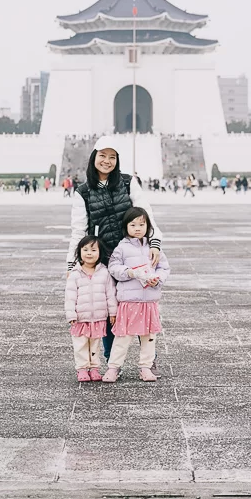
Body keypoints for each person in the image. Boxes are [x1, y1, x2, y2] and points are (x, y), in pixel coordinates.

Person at [66, 136, 162, 367]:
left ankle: (147, 359)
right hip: (103, 256)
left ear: (117, 161)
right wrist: (72, 264)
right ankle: (111, 359)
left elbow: (145, 214)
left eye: (112, 157)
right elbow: (79, 230)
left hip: (132, 255)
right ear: (94, 157)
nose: (107, 161)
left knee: (139, 304)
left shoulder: (128, 182)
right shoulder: (83, 191)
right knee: (108, 308)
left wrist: (155, 242)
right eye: (102, 156)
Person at [102, 207, 170, 382]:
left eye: (142, 224)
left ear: (148, 226)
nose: (138, 228)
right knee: (123, 337)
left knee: (149, 337)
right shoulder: (122, 248)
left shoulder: (153, 248)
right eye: (133, 224)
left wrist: (158, 279)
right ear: (126, 227)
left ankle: (145, 367)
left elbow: (164, 268)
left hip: (149, 301)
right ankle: (113, 367)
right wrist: (130, 272)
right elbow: (113, 268)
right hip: (129, 301)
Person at [65, 236, 117, 382]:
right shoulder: (75, 274)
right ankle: (81, 368)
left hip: (99, 317)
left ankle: (94, 368)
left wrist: (113, 312)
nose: (89, 253)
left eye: (93, 250)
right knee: (80, 344)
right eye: (85, 249)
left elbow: (110, 294)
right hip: (81, 318)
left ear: (99, 253)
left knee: (95, 344)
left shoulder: (104, 272)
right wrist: (71, 314)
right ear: (79, 252)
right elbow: (70, 296)